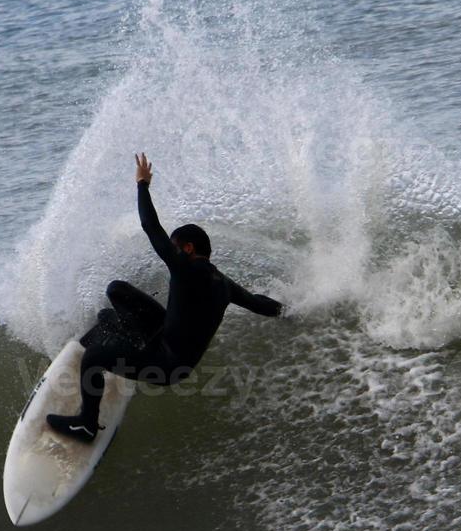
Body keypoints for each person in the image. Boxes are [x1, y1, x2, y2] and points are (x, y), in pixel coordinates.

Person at [47, 153, 284, 443]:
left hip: (167, 365)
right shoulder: (223, 283)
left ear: (187, 248)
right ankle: (119, 340)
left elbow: (151, 226)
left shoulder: (185, 269)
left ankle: (86, 424)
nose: (170, 254)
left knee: (93, 358)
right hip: (163, 336)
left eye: (174, 248)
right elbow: (259, 304)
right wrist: (294, 306)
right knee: (116, 292)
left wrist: (142, 185)